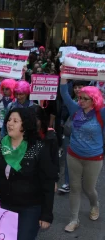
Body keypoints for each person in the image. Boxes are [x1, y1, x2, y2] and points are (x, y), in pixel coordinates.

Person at [0, 108, 56, 240]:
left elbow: (48, 184)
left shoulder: (37, 148)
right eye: (8, 120)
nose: (10, 124)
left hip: (30, 208)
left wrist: (46, 215)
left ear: (25, 125)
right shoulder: (0, 145)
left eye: (15, 121)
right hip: (4, 204)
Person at [60, 74, 104, 232]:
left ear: (94, 100)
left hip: (94, 158)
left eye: (86, 98)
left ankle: (94, 204)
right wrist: (63, 74)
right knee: (75, 187)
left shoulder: (101, 113)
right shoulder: (75, 110)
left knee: (89, 188)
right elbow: (64, 93)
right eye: (80, 97)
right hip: (73, 155)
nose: (81, 101)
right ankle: (74, 219)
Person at [59, 80, 88, 193]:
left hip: (87, 139)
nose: (77, 89)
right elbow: (64, 93)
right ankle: (68, 182)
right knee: (68, 159)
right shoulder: (74, 103)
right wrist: (64, 75)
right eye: (75, 87)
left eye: (80, 87)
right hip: (70, 134)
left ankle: (85, 182)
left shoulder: (95, 106)